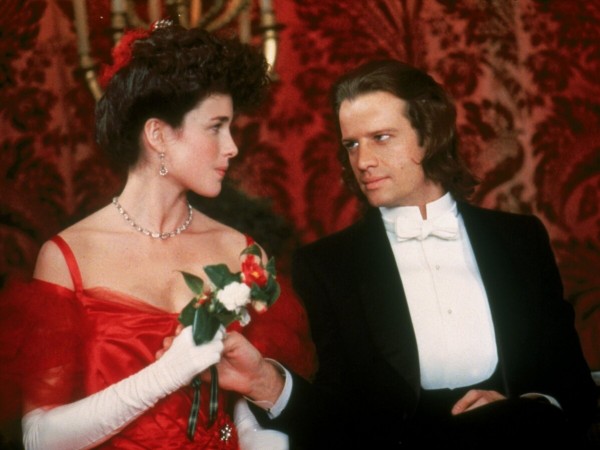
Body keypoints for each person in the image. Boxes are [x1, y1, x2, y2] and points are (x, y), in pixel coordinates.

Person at [212, 59, 598, 449]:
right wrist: (266, 383)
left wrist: (525, 408)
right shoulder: (327, 265)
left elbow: (572, 382)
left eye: (381, 137)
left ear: (428, 136)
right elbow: (335, 418)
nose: (363, 161)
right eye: (351, 144)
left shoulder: (519, 238)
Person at [0, 23, 315, 449]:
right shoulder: (69, 255)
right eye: (216, 127)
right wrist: (166, 373)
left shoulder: (242, 252)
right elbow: (39, 438)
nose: (232, 147)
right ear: (158, 135)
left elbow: (246, 406)